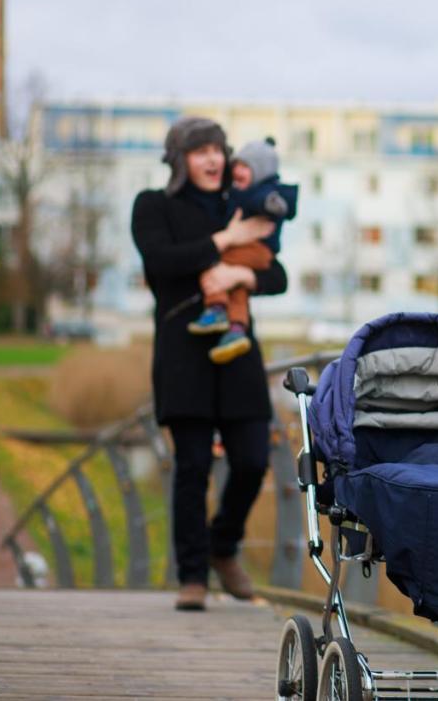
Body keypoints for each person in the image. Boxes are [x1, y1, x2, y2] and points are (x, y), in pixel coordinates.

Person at [131, 116, 288, 611]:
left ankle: (223, 548)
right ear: (180, 159)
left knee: (252, 461)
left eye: (217, 149)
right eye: (200, 151)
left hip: (238, 353)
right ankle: (193, 576)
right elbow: (162, 262)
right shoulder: (153, 206)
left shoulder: (237, 203)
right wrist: (224, 243)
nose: (213, 159)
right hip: (183, 353)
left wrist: (240, 270)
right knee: (193, 466)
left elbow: (278, 274)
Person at [188, 136, 298, 364]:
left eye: (245, 167)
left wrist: (270, 204)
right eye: (236, 165)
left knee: (214, 263)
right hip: (250, 251)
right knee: (237, 286)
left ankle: (217, 307)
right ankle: (237, 330)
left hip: (256, 248)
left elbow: (266, 200)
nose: (238, 171)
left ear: (261, 172)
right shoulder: (240, 190)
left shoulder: (261, 191)